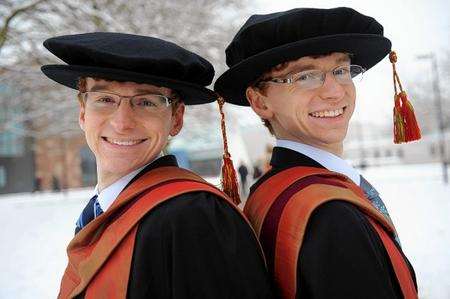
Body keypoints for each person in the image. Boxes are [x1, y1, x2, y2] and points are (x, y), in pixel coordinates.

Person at [41, 32, 272, 299]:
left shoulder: (194, 218)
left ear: (176, 118)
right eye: (104, 99)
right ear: (83, 113)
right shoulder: (102, 209)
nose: (122, 123)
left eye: (146, 102)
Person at [215, 7, 418, 299]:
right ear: (259, 102)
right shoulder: (331, 214)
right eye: (306, 76)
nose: (335, 91)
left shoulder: (268, 191)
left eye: (341, 70)